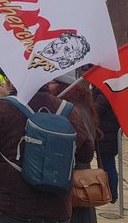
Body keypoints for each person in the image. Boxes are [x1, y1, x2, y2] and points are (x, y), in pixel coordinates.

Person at [0, 83, 94, 223]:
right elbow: (86, 154)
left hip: (11, 205)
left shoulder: (0, 109)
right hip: (57, 208)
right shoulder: (69, 111)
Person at [49, 74, 99, 223]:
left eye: (50, 83)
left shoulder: (72, 110)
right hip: (80, 176)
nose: (48, 87)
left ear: (62, 85)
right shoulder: (81, 105)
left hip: (75, 180)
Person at [93, 87, 120, 203]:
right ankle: (109, 192)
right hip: (108, 134)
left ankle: (112, 194)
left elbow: (98, 109)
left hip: (106, 135)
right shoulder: (110, 90)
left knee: (107, 165)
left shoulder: (105, 91)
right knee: (107, 164)